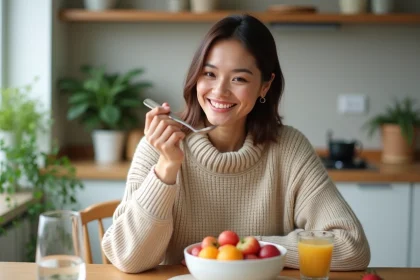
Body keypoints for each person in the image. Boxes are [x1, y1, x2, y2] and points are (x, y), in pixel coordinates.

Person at [102, 14, 370, 273]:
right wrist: (167, 168)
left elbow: (352, 246)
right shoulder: (158, 147)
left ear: (265, 86)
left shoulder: (289, 148)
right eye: (209, 74)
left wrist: (247, 250)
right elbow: (129, 258)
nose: (219, 91)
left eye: (239, 78)